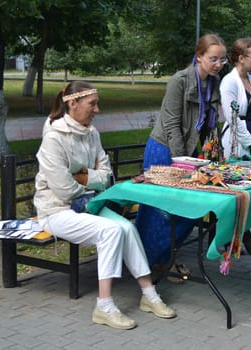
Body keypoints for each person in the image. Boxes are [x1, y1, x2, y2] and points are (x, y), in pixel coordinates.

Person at [33, 81, 175, 330]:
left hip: (89, 206)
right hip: (56, 211)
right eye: (92, 104)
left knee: (128, 229)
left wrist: (83, 176)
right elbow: (63, 190)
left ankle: (149, 296)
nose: (97, 109)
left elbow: (107, 174)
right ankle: (104, 306)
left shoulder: (92, 133)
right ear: (73, 103)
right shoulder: (54, 138)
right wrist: (90, 180)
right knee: (110, 231)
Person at [134, 34, 227, 280]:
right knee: (159, 210)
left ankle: (159, 257)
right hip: (165, 150)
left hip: (188, 153)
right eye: (213, 59)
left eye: (222, 60)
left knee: (191, 209)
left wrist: (212, 155)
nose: (218, 64)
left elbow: (209, 122)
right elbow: (172, 124)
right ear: (198, 57)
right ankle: (156, 262)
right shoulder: (180, 81)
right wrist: (182, 160)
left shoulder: (214, 82)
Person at [219, 37, 251, 257]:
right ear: (241, 58)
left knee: (248, 191)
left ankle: (243, 232)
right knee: (235, 192)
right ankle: (236, 236)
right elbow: (233, 118)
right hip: (236, 143)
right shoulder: (229, 82)